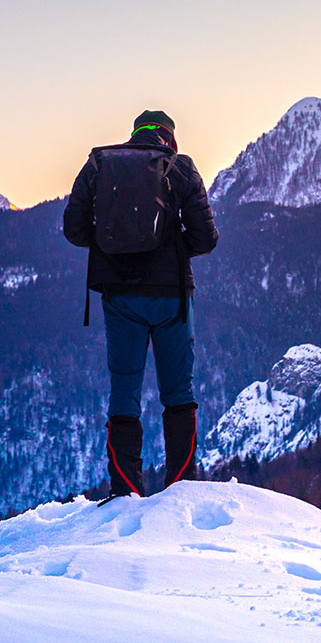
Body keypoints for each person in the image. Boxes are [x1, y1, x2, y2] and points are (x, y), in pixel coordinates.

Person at [62, 110, 219, 499]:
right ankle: (181, 487)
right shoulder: (180, 168)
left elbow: (74, 229)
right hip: (172, 298)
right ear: (170, 139)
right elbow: (206, 238)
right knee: (178, 392)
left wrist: (114, 246)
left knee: (124, 391)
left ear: (135, 135)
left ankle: (125, 489)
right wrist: (172, 245)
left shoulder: (99, 164)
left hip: (120, 297)